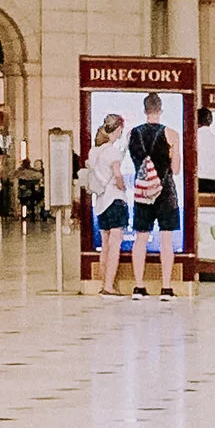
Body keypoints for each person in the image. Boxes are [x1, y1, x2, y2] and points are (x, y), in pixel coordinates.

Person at [125, 88, 183, 295]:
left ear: (144, 110)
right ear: (161, 109)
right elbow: (175, 169)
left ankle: (138, 286)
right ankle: (166, 287)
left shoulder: (134, 133)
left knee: (141, 237)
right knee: (165, 238)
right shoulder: (171, 134)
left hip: (142, 191)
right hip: (165, 191)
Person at [83, 114, 132, 292]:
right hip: (115, 200)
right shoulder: (112, 151)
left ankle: (104, 284)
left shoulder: (94, 151)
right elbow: (118, 176)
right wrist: (123, 186)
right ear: (118, 129)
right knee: (115, 245)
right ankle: (110, 286)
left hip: (102, 202)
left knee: (105, 245)